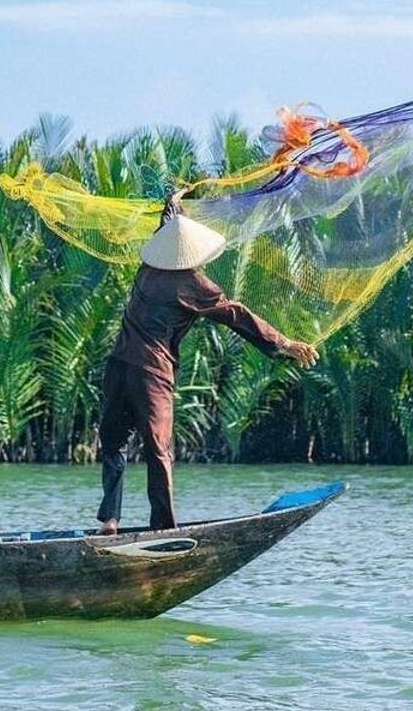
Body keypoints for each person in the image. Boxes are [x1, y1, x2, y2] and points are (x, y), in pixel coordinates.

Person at [97, 206, 318, 533]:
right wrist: (284, 343)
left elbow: (168, 227)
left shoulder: (147, 269)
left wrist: (174, 202)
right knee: (159, 450)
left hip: (117, 366)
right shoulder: (193, 284)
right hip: (152, 373)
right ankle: (163, 529)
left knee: (113, 442)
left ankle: (110, 520)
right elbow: (237, 315)